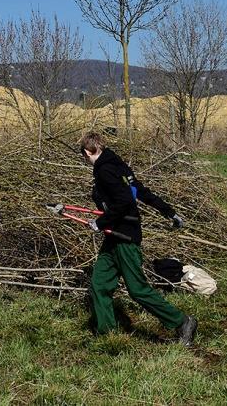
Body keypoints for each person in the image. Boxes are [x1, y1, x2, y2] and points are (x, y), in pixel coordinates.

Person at [79, 131, 198, 347]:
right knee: (99, 284)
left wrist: (100, 223)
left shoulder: (104, 169)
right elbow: (139, 191)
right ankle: (107, 336)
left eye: (85, 157)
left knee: (137, 289)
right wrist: (169, 211)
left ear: (88, 152)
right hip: (113, 238)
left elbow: (124, 201)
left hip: (124, 236)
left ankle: (182, 321)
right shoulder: (117, 164)